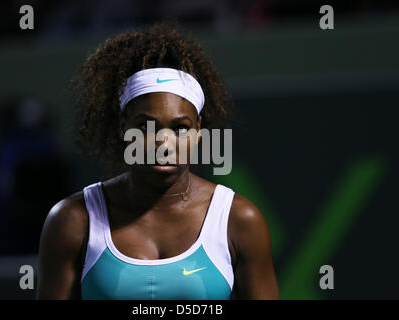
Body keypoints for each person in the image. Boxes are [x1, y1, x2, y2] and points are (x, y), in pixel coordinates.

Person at [36, 21, 279, 300]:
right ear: (122, 126)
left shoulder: (240, 221)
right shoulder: (72, 221)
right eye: (145, 126)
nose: (163, 143)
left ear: (198, 130)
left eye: (180, 128)